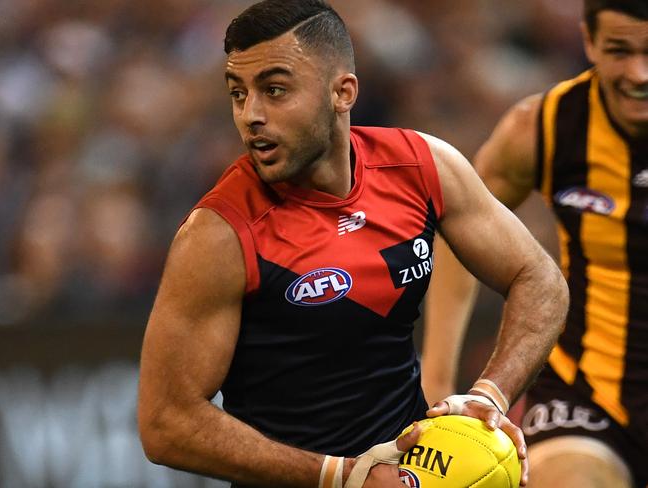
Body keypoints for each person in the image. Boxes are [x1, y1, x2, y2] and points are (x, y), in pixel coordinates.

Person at [137, 1, 568, 487]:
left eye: (274, 90)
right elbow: (166, 423)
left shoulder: (421, 167)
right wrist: (341, 477)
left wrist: (491, 395)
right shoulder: (219, 234)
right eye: (238, 94)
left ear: (343, 93)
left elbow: (541, 279)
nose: (250, 115)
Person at [425, 1, 648, 486]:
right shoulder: (544, 127)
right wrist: (435, 380)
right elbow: (461, 234)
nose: (639, 73)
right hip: (588, 393)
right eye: (618, 50)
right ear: (588, 42)